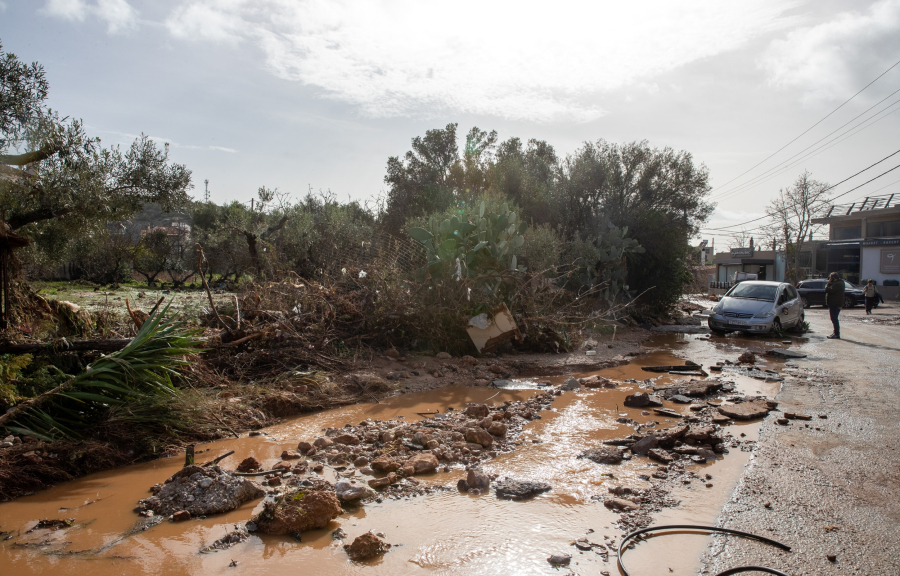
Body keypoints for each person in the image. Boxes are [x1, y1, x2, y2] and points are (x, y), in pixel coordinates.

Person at [825, 272, 845, 339]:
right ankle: (835, 333)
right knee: (834, 319)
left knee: (834, 319)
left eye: (831, 278)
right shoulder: (840, 283)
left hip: (834, 304)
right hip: (837, 303)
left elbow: (827, 290)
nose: (830, 279)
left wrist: (828, 284)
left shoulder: (837, 284)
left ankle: (836, 334)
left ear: (834, 278)